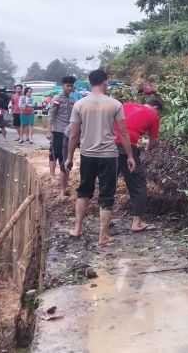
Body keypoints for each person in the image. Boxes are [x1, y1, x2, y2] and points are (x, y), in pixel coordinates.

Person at [65, 69, 135, 245]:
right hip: (108, 156)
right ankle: (102, 235)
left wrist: (69, 157)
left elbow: (74, 134)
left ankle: (77, 228)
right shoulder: (115, 104)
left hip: (87, 154)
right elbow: (124, 133)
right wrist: (130, 156)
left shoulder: (80, 105)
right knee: (106, 194)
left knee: (84, 190)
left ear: (89, 82)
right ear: (105, 82)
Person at [114, 97, 163, 232]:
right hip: (126, 147)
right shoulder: (153, 115)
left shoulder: (126, 105)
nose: (157, 116)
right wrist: (147, 147)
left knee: (109, 181)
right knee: (138, 183)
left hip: (107, 144)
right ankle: (138, 222)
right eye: (158, 113)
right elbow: (152, 141)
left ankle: (105, 218)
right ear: (156, 108)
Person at [47, 76, 77, 196]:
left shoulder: (71, 100)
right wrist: (49, 131)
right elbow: (51, 116)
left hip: (68, 132)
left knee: (66, 157)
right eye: (67, 85)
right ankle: (59, 184)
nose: (69, 88)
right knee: (56, 154)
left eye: (71, 86)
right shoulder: (57, 99)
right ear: (63, 86)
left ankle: (63, 185)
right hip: (58, 132)